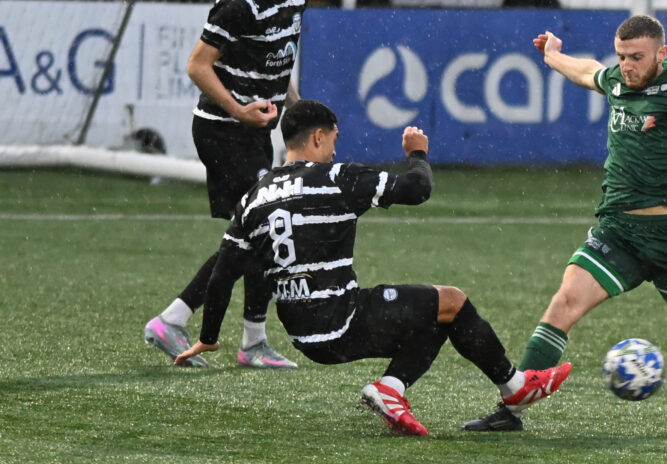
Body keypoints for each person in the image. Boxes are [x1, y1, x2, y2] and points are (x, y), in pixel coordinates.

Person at [174, 99, 572, 435]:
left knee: (434, 316)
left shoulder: (253, 198)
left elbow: (223, 274)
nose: (334, 151)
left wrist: (208, 337)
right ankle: (515, 385)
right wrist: (417, 153)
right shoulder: (337, 178)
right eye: (333, 140)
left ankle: (392, 389)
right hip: (342, 320)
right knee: (452, 301)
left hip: (302, 335)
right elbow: (418, 189)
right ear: (318, 137)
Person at [464, 14, 667, 432]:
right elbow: (587, 71)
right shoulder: (618, 81)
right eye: (622, 56)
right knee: (565, 302)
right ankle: (512, 410)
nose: (627, 66)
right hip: (619, 231)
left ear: (661, 53)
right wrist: (553, 56)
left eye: (637, 57)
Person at [144, 0, 312, 369]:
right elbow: (197, 65)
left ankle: (250, 342)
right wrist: (238, 109)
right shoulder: (241, 2)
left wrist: (296, 109)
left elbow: (279, 60)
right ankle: (175, 321)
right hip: (221, 129)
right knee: (258, 231)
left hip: (255, 130)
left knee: (260, 233)